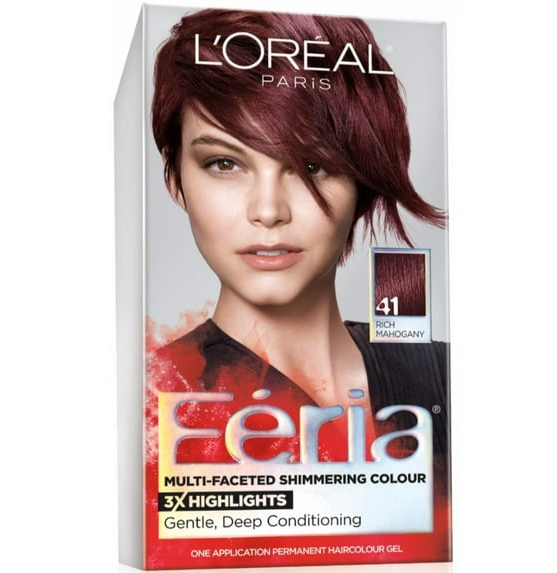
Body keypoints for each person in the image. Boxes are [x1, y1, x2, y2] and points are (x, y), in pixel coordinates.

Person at [150, 6, 448, 470]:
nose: (269, 210)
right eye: (224, 163)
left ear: (362, 180)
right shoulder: (151, 404)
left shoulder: (447, 377)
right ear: (176, 180)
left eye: (313, 166)